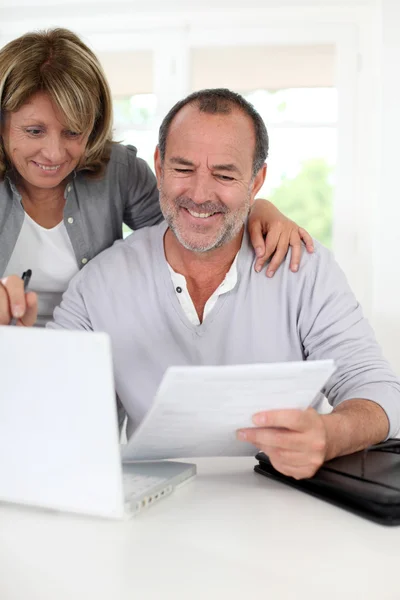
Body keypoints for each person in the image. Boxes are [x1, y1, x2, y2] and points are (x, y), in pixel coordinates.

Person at [6, 87, 398, 481]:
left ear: (256, 180)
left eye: (225, 174)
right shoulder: (97, 285)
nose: (199, 194)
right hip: (153, 514)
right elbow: (52, 418)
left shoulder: (303, 269)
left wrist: (332, 434)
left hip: (289, 507)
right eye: (183, 169)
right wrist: (18, 349)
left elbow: (381, 392)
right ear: (158, 167)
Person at [0, 28, 313, 327]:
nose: (54, 154)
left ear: (92, 126)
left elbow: (187, 225)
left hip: (92, 345)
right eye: (34, 131)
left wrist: (258, 208)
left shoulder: (118, 171)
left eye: (72, 132)